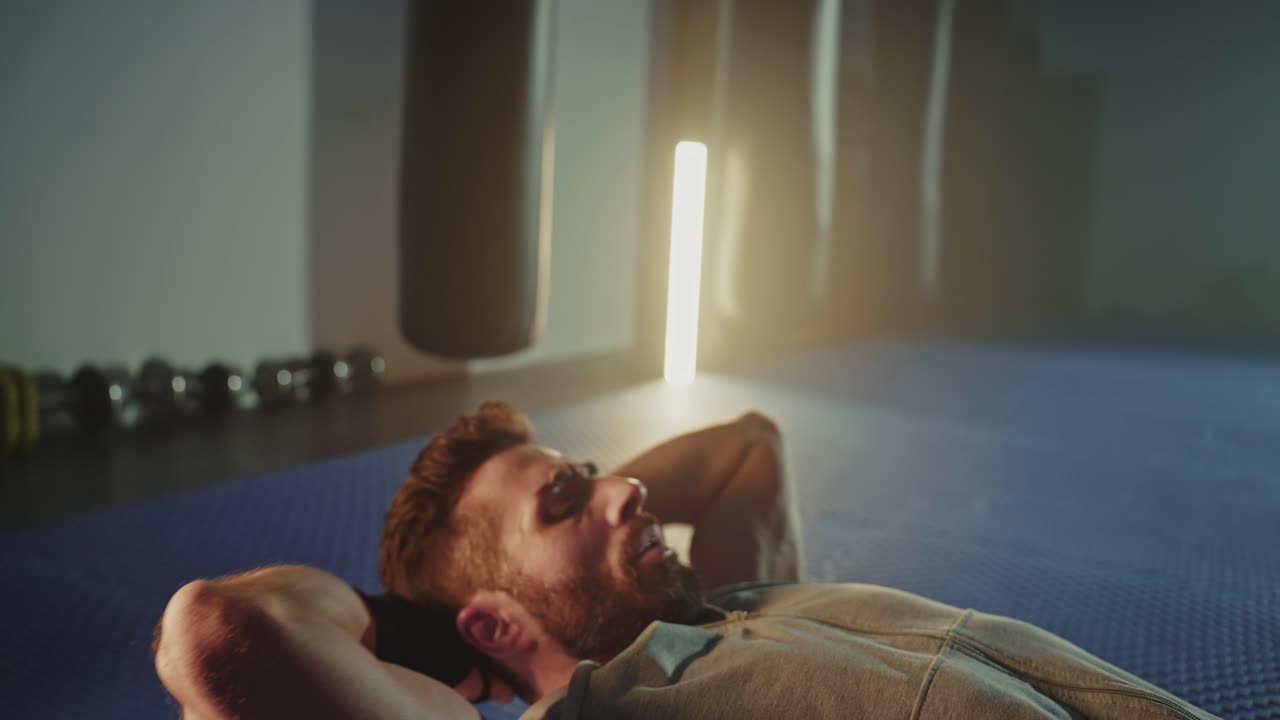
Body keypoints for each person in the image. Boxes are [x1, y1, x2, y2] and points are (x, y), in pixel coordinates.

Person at [153, 403, 1217, 719]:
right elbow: (225, 632)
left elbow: (748, 443)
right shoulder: (578, 714)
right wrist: (433, 628)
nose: (630, 490)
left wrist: (587, 510)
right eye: (562, 501)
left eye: (604, 472)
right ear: (487, 623)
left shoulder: (735, 597)